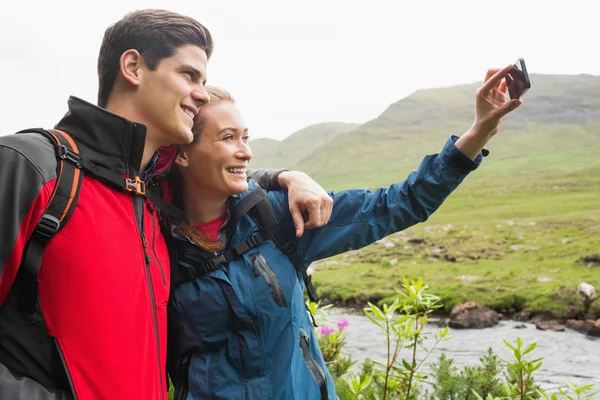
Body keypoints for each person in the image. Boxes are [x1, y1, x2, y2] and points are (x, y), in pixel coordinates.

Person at [0, 9, 332, 399]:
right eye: (189, 75)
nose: (202, 93)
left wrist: (283, 176)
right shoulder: (33, 168)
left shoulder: (154, 197)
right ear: (134, 67)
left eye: (204, 81)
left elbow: (218, 173)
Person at [166, 68, 522, 400]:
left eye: (245, 137)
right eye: (228, 138)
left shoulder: (278, 217)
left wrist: (476, 135)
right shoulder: (154, 238)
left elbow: (398, 204)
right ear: (182, 153)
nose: (246, 151)